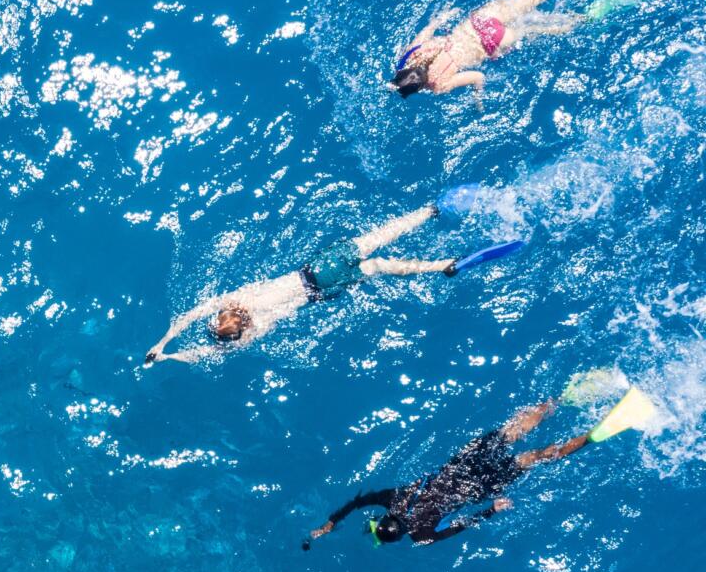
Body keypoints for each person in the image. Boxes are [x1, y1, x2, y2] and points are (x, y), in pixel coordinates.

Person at [145, 204, 455, 365]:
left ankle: (441, 266)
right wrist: (163, 340)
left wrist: (167, 354)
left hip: (320, 290)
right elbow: (189, 316)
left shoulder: (255, 330)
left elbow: (208, 353)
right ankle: (428, 211)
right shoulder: (235, 299)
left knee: (383, 268)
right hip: (318, 267)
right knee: (380, 236)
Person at [304, 396, 588, 547]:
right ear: (385, 517)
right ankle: (560, 400)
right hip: (462, 465)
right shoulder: (393, 499)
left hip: (479, 487)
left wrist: (492, 510)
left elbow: (459, 526)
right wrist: (330, 523)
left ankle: (590, 435)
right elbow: (357, 502)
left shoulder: (420, 535)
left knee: (534, 458)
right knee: (514, 430)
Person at [391, 0, 617, 97]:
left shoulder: (438, 85)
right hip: (479, 21)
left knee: (541, 29)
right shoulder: (413, 52)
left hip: (493, 40)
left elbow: (478, 76)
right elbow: (431, 26)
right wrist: (445, 17)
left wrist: (477, 98)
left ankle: (583, 19)